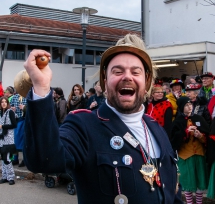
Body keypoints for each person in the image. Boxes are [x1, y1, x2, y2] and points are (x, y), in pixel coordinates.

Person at [23, 34, 183, 204]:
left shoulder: (155, 128)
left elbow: (172, 193)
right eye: (118, 71)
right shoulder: (83, 125)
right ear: (105, 81)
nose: (127, 77)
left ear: (147, 82)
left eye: (136, 72)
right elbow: (44, 160)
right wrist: (41, 88)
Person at [171, 96, 209, 204]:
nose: (189, 107)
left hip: (199, 155)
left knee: (200, 181)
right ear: (182, 107)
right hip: (185, 156)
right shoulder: (177, 121)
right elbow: (174, 139)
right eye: (187, 105)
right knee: (187, 182)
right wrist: (186, 131)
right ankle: (189, 203)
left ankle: (199, 202)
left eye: (190, 104)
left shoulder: (199, 118)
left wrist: (200, 135)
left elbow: (207, 135)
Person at [0, 97, 17, 185]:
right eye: (2, 102)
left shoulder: (10, 112)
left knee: (8, 159)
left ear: (7, 103)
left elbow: (14, 125)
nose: (3, 103)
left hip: (9, 139)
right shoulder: (1, 113)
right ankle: (4, 176)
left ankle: (11, 177)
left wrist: (3, 126)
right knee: (3, 158)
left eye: (5, 102)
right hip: (2, 139)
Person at [10, 93, 27, 167]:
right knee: (15, 140)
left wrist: (24, 108)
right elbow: (9, 106)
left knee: (23, 140)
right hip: (16, 120)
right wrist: (11, 109)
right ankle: (15, 158)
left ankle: (24, 160)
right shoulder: (14, 97)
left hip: (25, 120)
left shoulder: (28, 97)